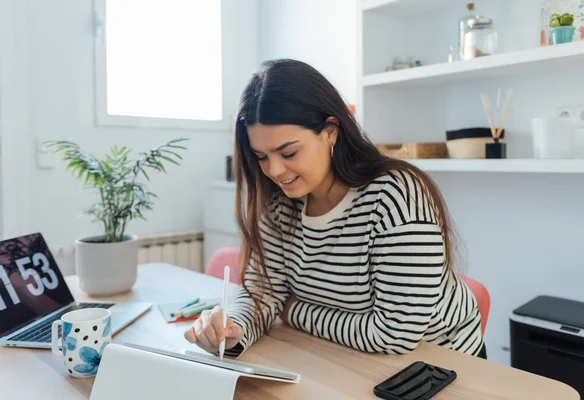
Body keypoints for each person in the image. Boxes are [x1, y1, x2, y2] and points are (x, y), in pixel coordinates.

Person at [184, 59, 485, 360]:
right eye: (261, 156)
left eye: (289, 152)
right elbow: (263, 293)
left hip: (441, 366)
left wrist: (292, 310)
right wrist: (232, 331)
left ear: (330, 132)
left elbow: (394, 335)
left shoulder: (395, 197)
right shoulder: (279, 204)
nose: (274, 170)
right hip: (348, 356)